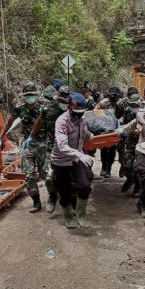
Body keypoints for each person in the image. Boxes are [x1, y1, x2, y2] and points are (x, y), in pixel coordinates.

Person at [0, 82, 51, 213]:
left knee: (45, 174)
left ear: (36, 95)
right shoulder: (19, 108)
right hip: (28, 144)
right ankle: (36, 202)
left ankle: (52, 197)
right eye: (27, 96)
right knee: (29, 174)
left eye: (32, 95)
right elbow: (8, 122)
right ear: (23, 97)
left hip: (43, 142)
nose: (30, 98)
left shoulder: (45, 107)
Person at [50, 92, 94, 229]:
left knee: (85, 185)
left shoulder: (82, 119)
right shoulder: (62, 121)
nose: (79, 115)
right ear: (69, 107)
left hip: (76, 158)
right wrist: (80, 155)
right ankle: (68, 216)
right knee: (64, 191)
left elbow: (84, 133)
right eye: (76, 112)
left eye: (81, 112)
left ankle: (80, 215)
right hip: (61, 161)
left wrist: (91, 136)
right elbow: (62, 146)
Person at [27, 85, 71, 213]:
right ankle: (52, 196)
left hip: (71, 147)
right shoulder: (49, 108)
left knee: (72, 178)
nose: (64, 102)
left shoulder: (74, 107)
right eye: (61, 100)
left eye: (66, 100)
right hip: (53, 147)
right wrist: (30, 136)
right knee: (49, 176)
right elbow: (39, 122)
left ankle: (70, 204)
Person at [95, 87, 122, 178]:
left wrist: (119, 121)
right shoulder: (104, 102)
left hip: (115, 129)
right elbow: (95, 112)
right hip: (105, 128)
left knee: (112, 149)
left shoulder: (120, 103)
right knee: (104, 148)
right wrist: (104, 117)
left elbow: (124, 115)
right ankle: (103, 167)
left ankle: (109, 168)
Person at [119, 94, 143, 196]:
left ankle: (137, 187)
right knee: (126, 164)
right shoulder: (128, 110)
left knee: (137, 167)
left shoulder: (144, 113)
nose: (133, 107)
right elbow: (123, 121)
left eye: (135, 105)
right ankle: (129, 180)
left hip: (141, 143)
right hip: (129, 142)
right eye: (132, 105)